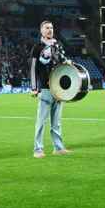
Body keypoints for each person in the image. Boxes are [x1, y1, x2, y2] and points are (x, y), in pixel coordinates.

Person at [29, 20, 72, 158]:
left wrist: (67, 62)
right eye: (47, 28)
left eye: (51, 28)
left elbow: (63, 60)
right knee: (41, 121)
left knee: (56, 121)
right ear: (41, 30)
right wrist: (34, 87)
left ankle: (58, 148)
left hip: (58, 88)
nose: (50, 30)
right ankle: (38, 149)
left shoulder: (57, 45)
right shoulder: (37, 47)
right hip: (46, 88)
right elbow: (33, 68)